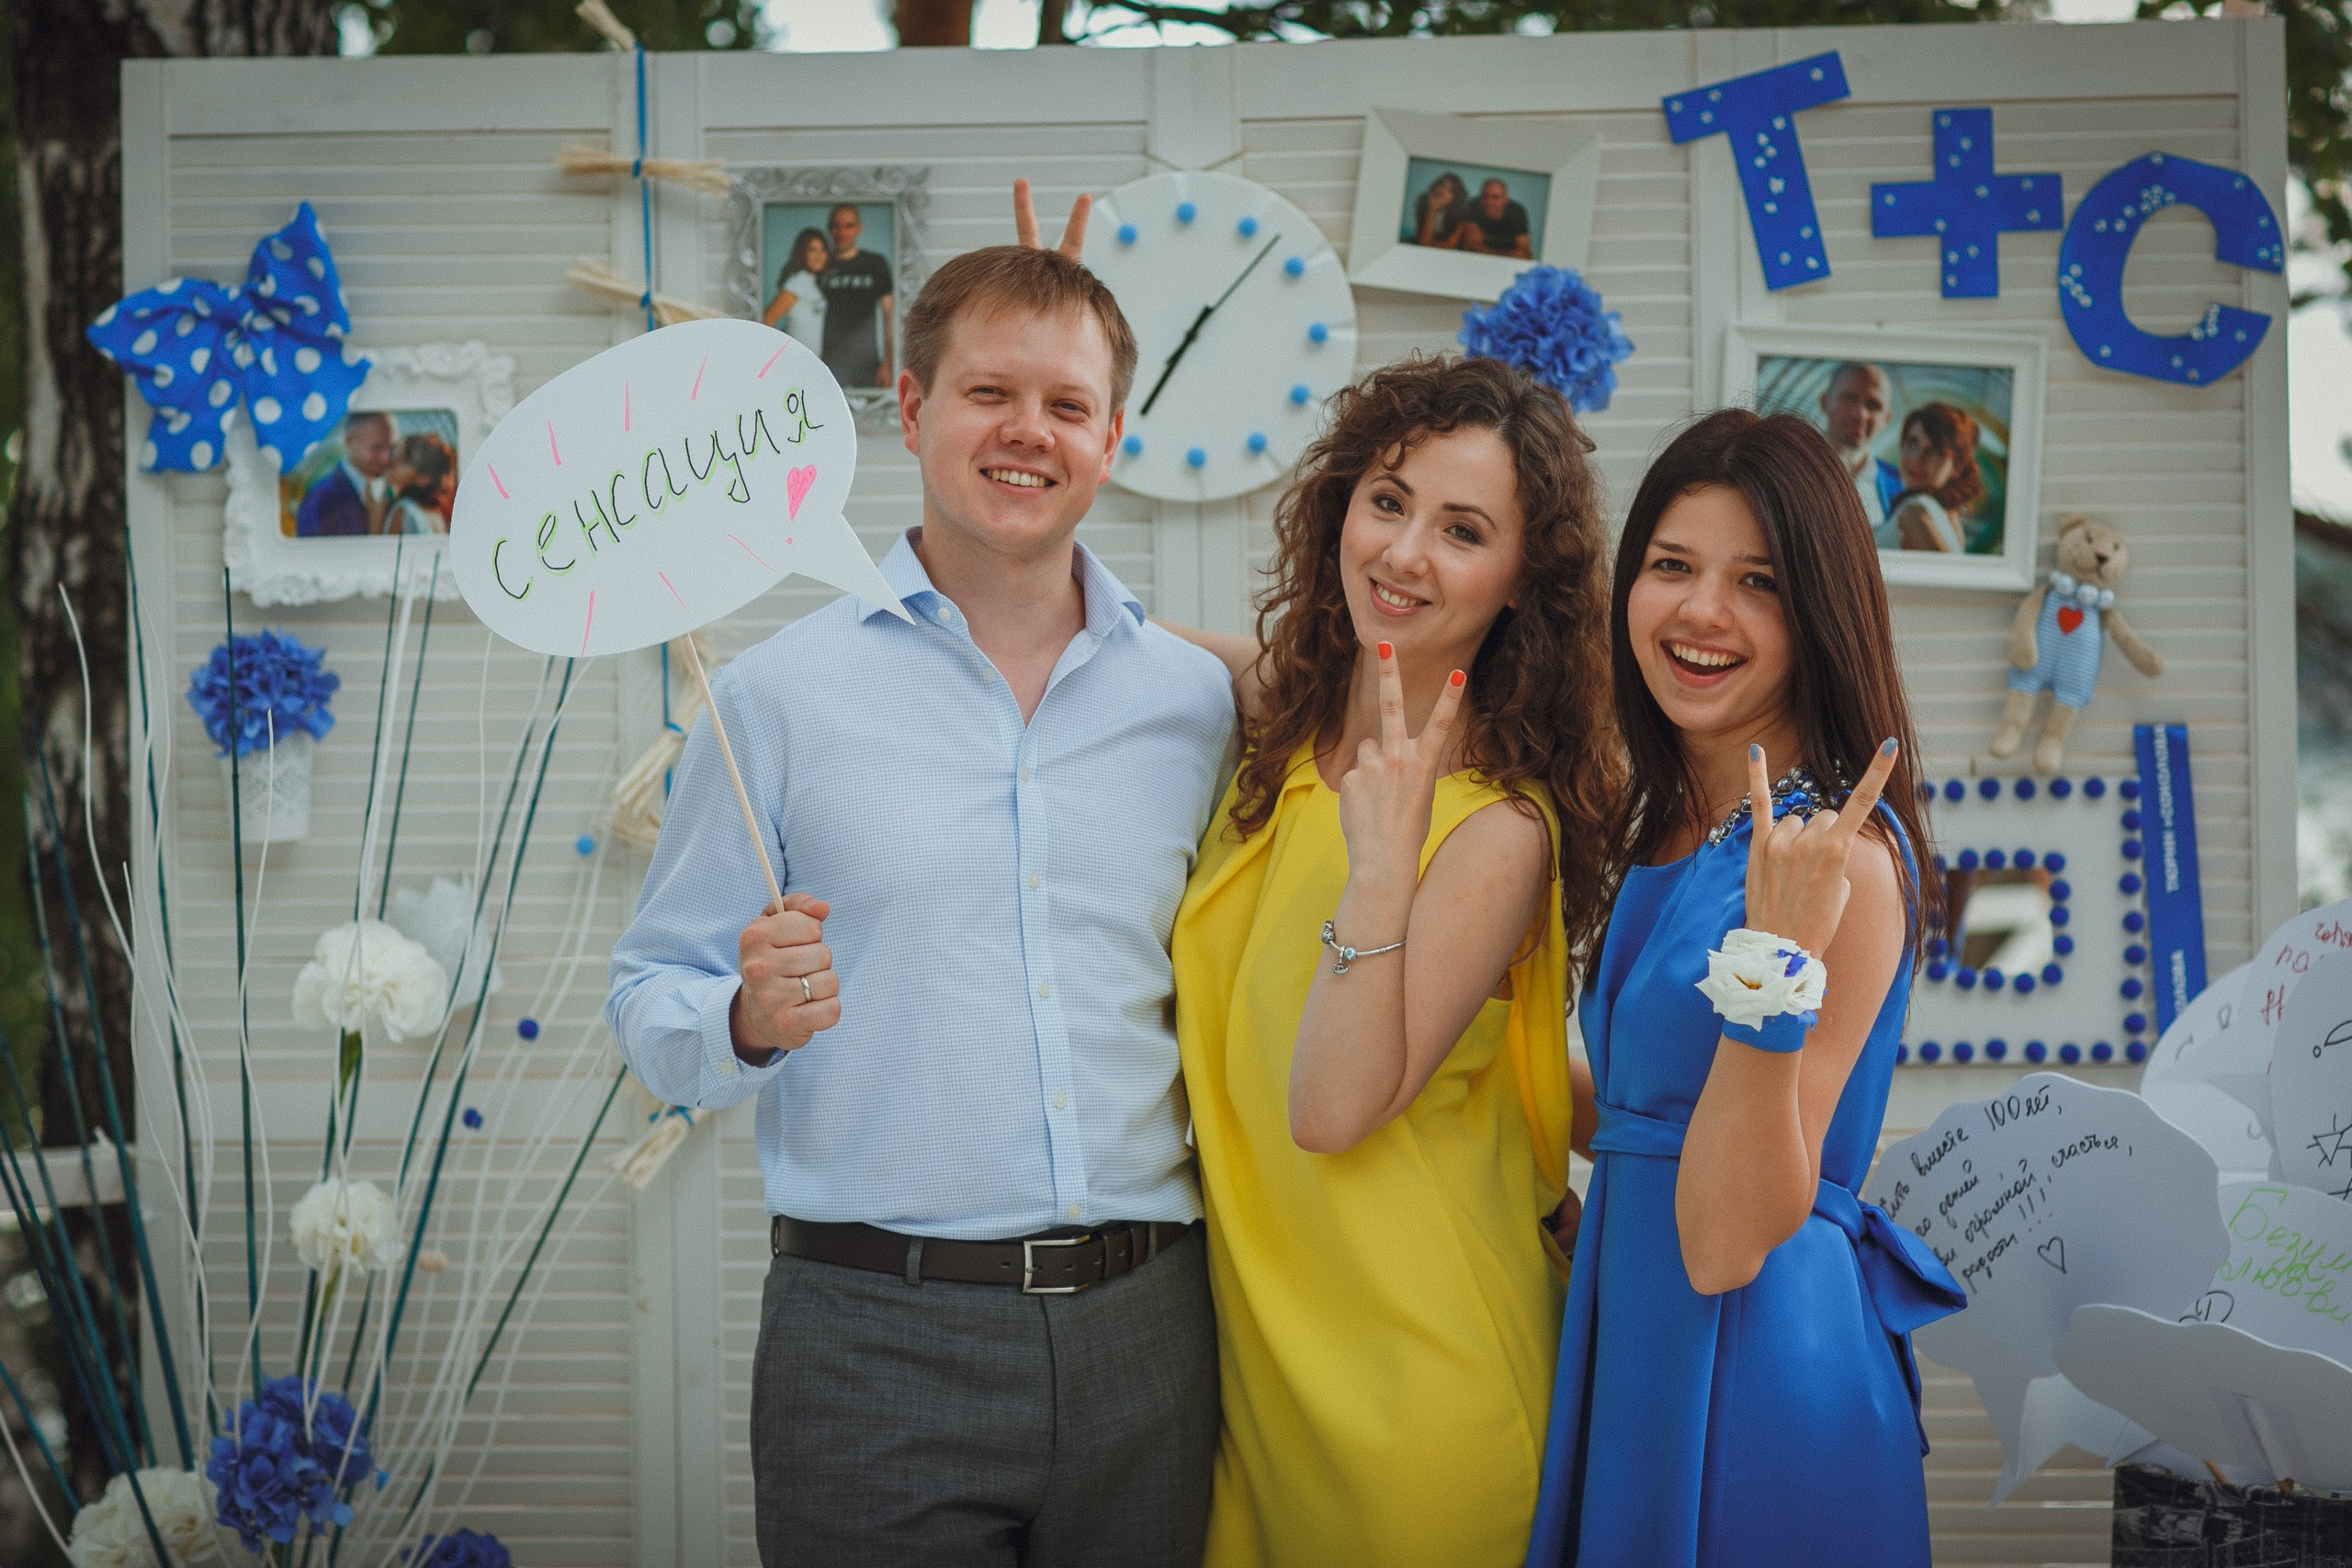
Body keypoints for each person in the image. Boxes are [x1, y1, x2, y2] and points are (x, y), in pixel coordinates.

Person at [606, 181, 1235, 1567]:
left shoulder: (1196, 703)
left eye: (1067, 404)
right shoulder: (774, 696)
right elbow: (651, 995)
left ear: (1113, 437)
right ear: (907, 407)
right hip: (871, 1339)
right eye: (988, 391)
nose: (1028, 430)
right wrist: (742, 1018)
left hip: (1155, 1331)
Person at [1162, 355, 1623, 1566]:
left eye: (1462, 531)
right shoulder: (1286, 716)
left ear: (1524, 580)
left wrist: (1380, 874)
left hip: (1416, 1394)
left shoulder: (1494, 830)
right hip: (1263, 1384)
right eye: (1387, 500)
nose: (1405, 552)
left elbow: (1328, 1109)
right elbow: (1086, 627)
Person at [1524, 408, 1964, 1568]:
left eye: (1756, 582)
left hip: (1753, 1363)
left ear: (1819, 613)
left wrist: (1778, 958)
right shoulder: (1668, 822)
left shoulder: (1839, 862)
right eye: (1672, 566)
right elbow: (1653, 1118)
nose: (1701, 611)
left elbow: (1724, 1239)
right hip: (1635, 1334)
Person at [1815, 362, 1904, 534]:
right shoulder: (1791, 469)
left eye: (1873, 405)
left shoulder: (1898, 485)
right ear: (1825, 402)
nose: (1860, 414)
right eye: (1849, 399)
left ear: (1886, 418)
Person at [1883, 401, 1981, 554]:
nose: (1917, 459)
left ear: (1956, 467)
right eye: (1913, 443)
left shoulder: (1915, 512)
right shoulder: (1950, 515)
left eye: (1936, 451)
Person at [816, 202, 896, 389]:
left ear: (859, 229)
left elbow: (890, 314)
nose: (842, 233)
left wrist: (888, 363)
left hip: (868, 363)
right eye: (836, 226)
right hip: (830, 364)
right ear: (829, 230)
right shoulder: (820, 265)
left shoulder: (875, 263)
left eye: (849, 226)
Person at [293, 411, 392, 536]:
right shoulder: (321, 499)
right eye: (376, 448)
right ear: (349, 441)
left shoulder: (386, 491)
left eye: (391, 448)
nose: (386, 458)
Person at [762, 226, 830, 354]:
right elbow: (767, 319)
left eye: (823, 250)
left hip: (812, 359)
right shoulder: (798, 281)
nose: (819, 256)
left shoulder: (813, 281)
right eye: (813, 250)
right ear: (802, 253)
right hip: (797, 358)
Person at [377, 431, 456, 536]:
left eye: (403, 461)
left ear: (423, 478)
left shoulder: (403, 512)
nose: (391, 462)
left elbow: (379, 545)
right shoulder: (435, 515)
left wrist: (375, 514)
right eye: (394, 454)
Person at [1451, 176, 1535, 259]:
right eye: (1485, 196)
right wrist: (1507, 255)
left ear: (1505, 200)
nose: (1489, 202)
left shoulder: (1516, 212)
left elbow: (1524, 253)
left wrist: (1488, 252)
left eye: (1495, 197)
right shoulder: (1474, 206)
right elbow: (1470, 246)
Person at [1410, 170, 1467, 247]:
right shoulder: (1423, 202)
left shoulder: (1461, 213)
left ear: (1455, 197)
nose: (1443, 191)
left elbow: (1449, 245)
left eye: (1450, 190)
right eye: (1442, 185)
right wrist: (1432, 209)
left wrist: (1427, 242)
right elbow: (1422, 240)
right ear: (1435, 186)